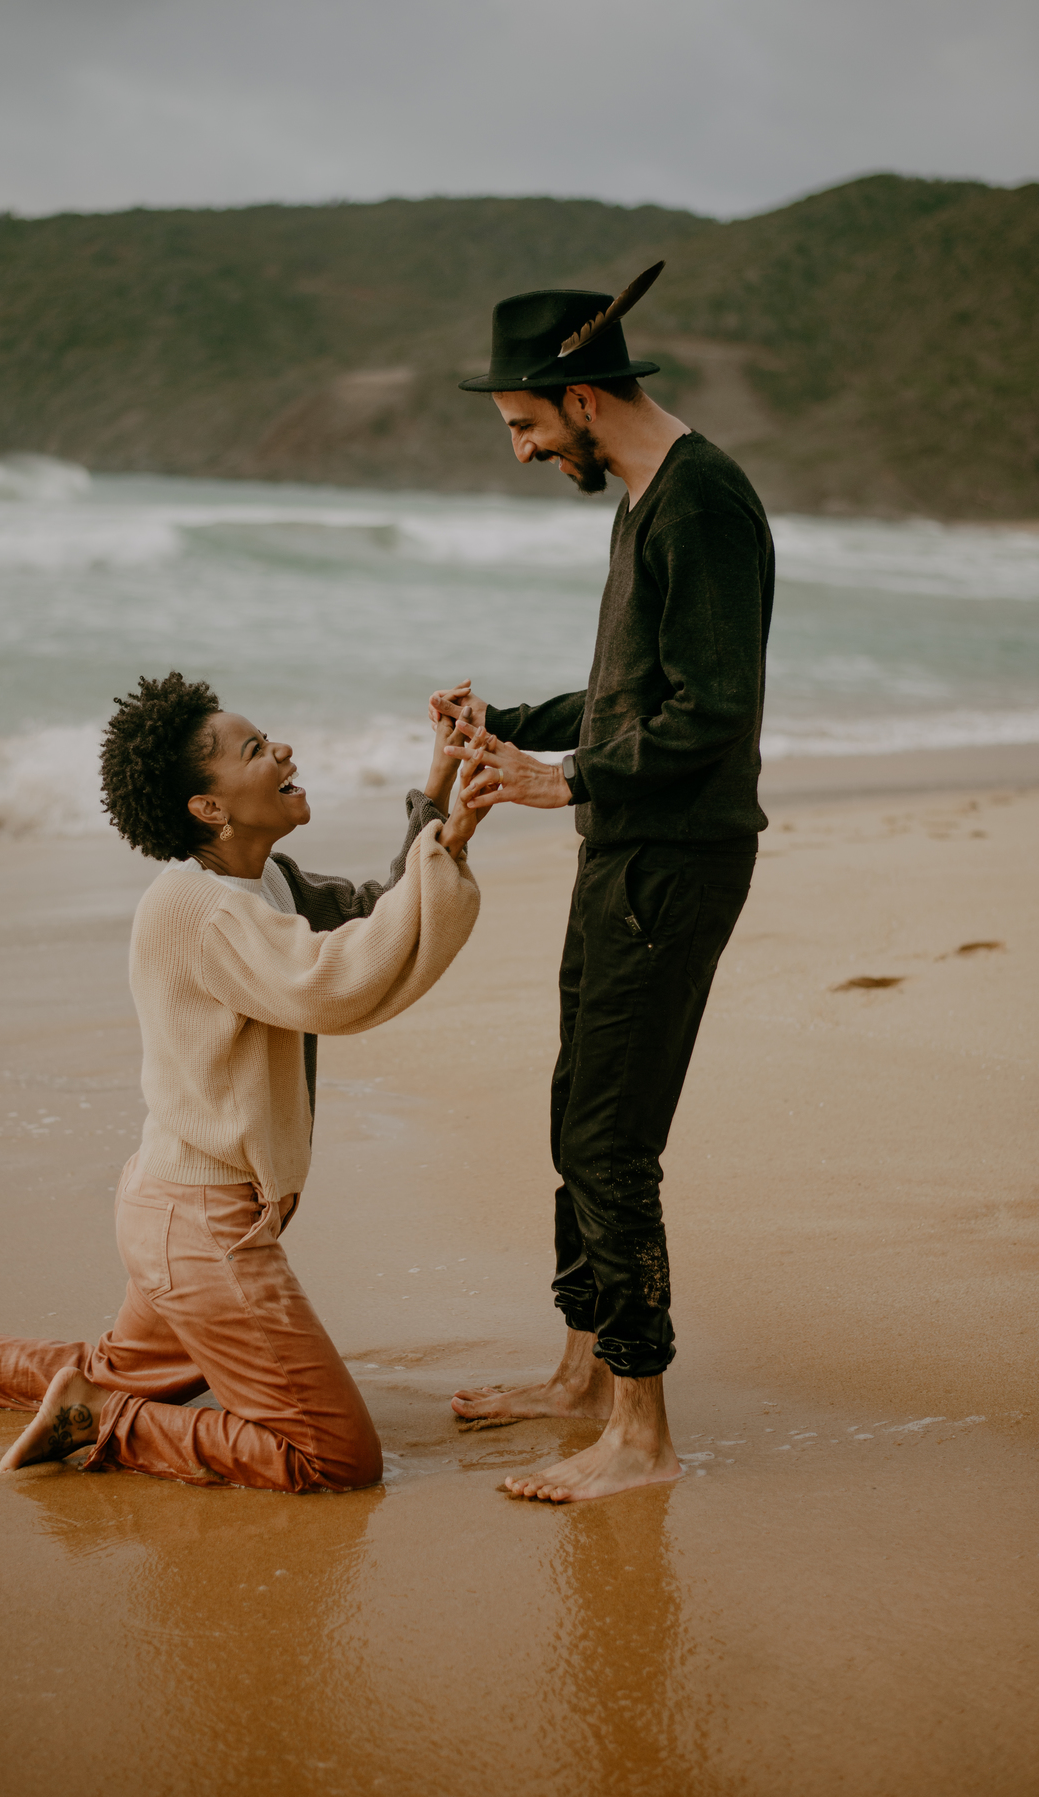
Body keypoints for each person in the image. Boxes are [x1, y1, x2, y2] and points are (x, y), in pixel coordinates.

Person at [0, 672, 483, 1492]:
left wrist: (438, 793)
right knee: (336, 1457)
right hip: (203, 1228)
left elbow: (369, 913)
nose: (283, 749)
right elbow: (334, 980)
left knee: (101, 1365)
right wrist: (444, 845)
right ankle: (100, 1421)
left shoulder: (264, 883)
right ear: (208, 808)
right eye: (254, 749)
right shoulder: (197, 910)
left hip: (173, 1210)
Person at [434, 272, 774, 1502]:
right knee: (581, 1096)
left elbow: (714, 714)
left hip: (675, 861)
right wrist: (509, 726)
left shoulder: (701, 505)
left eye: (526, 426)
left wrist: (562, 782)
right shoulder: (643, 500)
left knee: (611, 1140)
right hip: (632, 850)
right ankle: (582, 1373)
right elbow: (637, 691)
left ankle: (643, 1432)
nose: (524, 451)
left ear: (582, 398)